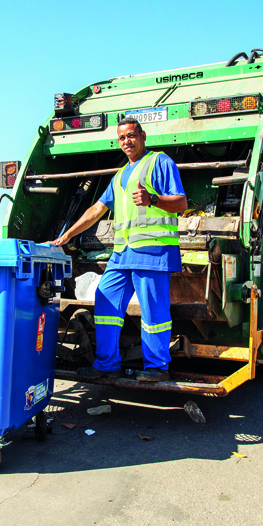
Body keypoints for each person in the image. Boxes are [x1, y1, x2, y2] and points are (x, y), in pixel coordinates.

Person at [50, 117, 187, 382]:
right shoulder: (120, 175)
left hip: (152, 252)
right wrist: (66, 235)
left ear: (143, 136)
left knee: (153, 311)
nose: (127, 141)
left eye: (131, 135)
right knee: (106, 300)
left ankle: (157, 367)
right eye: (122, 137)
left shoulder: (160, 162)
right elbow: (96, 210)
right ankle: (106, 364)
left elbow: (181, 202)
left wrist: (153, 199)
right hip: (122, 253)